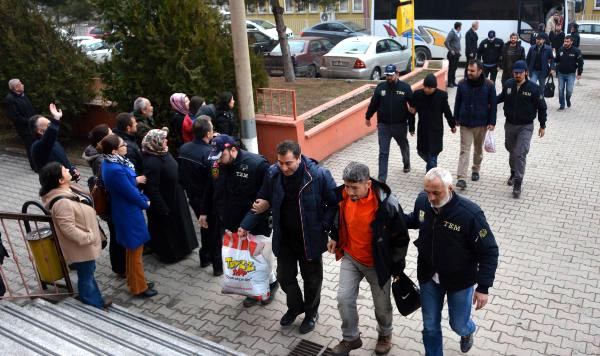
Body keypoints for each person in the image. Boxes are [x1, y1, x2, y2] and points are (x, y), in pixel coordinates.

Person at [239, 140, 337, 334]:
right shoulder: (273, 174)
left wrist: (325, 227)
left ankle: (311, 313)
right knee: (284, 277)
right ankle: (295, 307)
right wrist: (245, 225)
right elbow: (262, 199)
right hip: (284, 238)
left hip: (310, 239)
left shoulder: (318, 175)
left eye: (288, 163)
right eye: (280, 163)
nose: (283, 167)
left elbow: (335, 205)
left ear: (299, 158)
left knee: (312, 280)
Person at [404, 167, 499, 356]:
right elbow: (416, 219)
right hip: (429, 276)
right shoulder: (423, 202)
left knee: (458, 323)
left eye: (436, 192)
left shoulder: (470, 214)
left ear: (450, 188)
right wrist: (393, 217)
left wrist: (483, 288)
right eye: (427, 191)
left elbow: (489, 251)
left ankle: (468, 331)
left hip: (460, 281)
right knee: (430, 326)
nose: (430, 197)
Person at [327, 162, 409, 356]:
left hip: (377, 264)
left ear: (368, 184)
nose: (349, 191)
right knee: (343, 299)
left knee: (382, 306)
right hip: (351, 257)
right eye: (347, 186)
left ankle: (385, 334)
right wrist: (334, 236)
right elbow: (338, 218)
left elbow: (401, 239)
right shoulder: (343, 195)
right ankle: (351, 338)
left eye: (354, 187)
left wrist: (396, 268)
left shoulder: (387, 204)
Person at [200, 134, 279, 306]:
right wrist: (204, 212)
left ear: (233, 149)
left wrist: (247, 224)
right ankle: (252, 290)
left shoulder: (257, 165)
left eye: (222, 156)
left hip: (256, 225)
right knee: (245, 260)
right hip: (231, 223)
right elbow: (210, 189)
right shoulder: (215, 164)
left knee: (260, 258)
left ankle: (270, 285)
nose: (218, 161)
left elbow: (266, 197)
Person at [39, 162, 110, 309]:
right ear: (60, 180)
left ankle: (95, 298)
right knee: (86, 276)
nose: (68, 169)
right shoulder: (61, 203)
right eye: (64, 170)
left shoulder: (67, 188)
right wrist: (89, 237)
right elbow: (69, 229)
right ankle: (92, 304)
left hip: (84, 245)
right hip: (82, 246)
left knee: (88, 273)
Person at [99, 134, 157, 298]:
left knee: (132, 252)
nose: (126, 146)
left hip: (125, 211)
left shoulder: (110, 163)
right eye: (123, 144)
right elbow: (130, 192)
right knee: (136, 252)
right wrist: (145, 202)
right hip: (128, 214)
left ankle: (134, 281)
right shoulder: (115, 169)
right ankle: (140, 288)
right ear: (115, 150)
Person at [142, 128, 199, 263]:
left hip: (176, 196)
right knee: (169, 230)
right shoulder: (151, 162)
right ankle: (172, 255)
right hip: (165, 201)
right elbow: (152, 188)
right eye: (163, 139)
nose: (166, 141)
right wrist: (162, 207)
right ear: (155, 142)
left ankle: (186, 248)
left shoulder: (163, 152)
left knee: (181, 225)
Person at [497, 60, 547, 198]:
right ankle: (513, 172)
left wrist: (542, 125)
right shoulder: (508, 84)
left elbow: (542, 107)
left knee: (520, 152)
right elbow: (501, 97)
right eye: (515, 72)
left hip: (526, 126)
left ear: (526, 72)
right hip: (510, 124)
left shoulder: (534, 88)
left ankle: (518, 182)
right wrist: (489, 101)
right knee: (511, 149)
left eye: (520, 72)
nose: (517, 75)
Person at [82, 124, 127, 277]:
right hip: (111, 204)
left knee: (116, 233)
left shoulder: (98, 155)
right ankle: (120, 267)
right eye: (110, 133)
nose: (113, 133)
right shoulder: (102, 160)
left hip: (110, 203)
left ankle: (120, 265)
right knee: (117, 235)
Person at [179, 117, 218, 269]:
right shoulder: (210, 154)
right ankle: (216, 264)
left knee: (205, 226)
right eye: (212, 129)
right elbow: (215, 179)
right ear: (208, 133)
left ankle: (205, 257)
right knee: (213, 230)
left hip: (193, 197)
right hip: (208, 199)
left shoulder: (184, 148)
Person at [365, 64, 415, 181]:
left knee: (404, 146)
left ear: (397, 74)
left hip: (400, 125)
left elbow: (413, 108)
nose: (389, 78)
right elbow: (373, 104)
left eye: (391, 75)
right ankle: (382, 180)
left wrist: (412, 126)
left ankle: (406, 162)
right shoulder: (380, 88)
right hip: (384, 126)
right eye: (387, 75)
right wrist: (368, 117)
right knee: (383, 152)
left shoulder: (405, 88)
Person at [454, 60, 496, 190]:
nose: (469, 73)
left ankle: (476, 169)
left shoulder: (489, 85)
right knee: (464, 150)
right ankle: (461, 178)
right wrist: (455, 119)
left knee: (478, 150)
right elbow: (457, 102)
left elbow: (493, 105)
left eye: (472, 71)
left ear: (480, 71)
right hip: (465, 123)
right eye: (468, 70)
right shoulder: (462, 84)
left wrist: (492, 121)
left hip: (481, 123)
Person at [410, 74, 456, 172]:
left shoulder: (442, 96)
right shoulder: (417, 94)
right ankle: (433, 166)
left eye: (429, 88)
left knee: (433, 154)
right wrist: (411, 127)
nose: (426, 89)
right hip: (422, 129)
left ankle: (431, 179)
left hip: (436, 130)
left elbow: (447, 112)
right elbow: (412, 112)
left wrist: (452, 125)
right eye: (425, 86)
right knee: (421, 152)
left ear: (435, 87)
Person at [30, 103, 80, 182]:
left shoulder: (54, 142)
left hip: (65, 181)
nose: (53, 127)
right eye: (49, 125)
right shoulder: (37, 146)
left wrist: (72, 169)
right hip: (54, 186)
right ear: (40, 131)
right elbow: (48, 138)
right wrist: (56, 119)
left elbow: (63, 160)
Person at [4, 78, 37, 169]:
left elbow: (30, 108)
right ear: (16, 87)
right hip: (24, 128)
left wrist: (36, 118)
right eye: (20, 83)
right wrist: (29, 121)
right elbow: (15, 117)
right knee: (30, 146)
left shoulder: (22, 95)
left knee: (36, 144)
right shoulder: (10, 99)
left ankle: (40, 162)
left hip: (33, 124)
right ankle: (35, 166)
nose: (23, 84)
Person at [555, 35, 584, 111]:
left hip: (571, 74)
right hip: (561, 73)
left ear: (571, 42)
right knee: (560, 90)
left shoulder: (576, 51)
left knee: (569, 91)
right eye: (565, 41)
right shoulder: (561, 49)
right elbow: (556, 60)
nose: (565, 43)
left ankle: (568, 99)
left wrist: (579, 73)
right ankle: (562, 105)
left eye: (567, 41)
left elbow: (581, 63)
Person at [444, 22, 462, 88]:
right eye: (461, 27)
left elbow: (456, 42)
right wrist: (451, 50)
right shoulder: (452, 33)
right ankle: (449, 83)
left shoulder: (458, 33)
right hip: (452, 54)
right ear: (458, 27)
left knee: (455, 68)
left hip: (457, 54)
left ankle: (453, 82)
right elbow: (446, 42)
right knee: (451, 69)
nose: (461, 28)